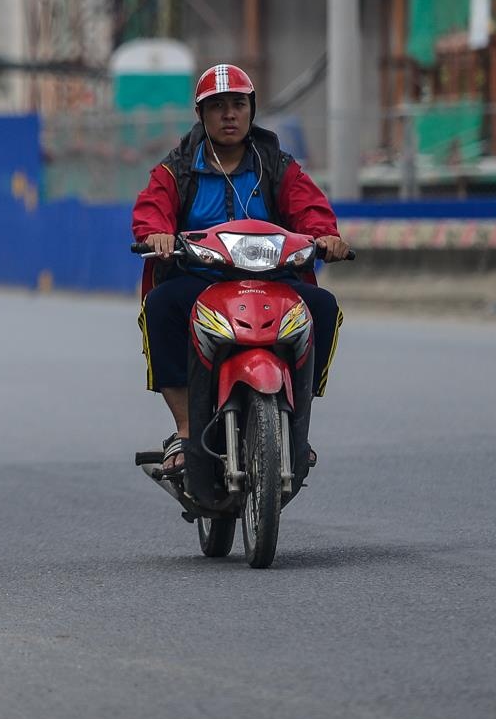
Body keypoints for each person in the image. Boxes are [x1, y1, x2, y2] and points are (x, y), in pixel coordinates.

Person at [131, 64, 350, 479]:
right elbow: (152, 208)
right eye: (217, 106)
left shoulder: (278, 165)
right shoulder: (176, 169)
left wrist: (325, 236)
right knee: (160, 305)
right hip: (201, 281)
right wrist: (156, 233)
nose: (229, 114)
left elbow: (309, 207)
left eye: (238, 104)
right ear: (201, 114)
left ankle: (297, 421)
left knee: (322, 306)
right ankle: (185, 429)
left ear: (251, 110)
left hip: (272, 279)